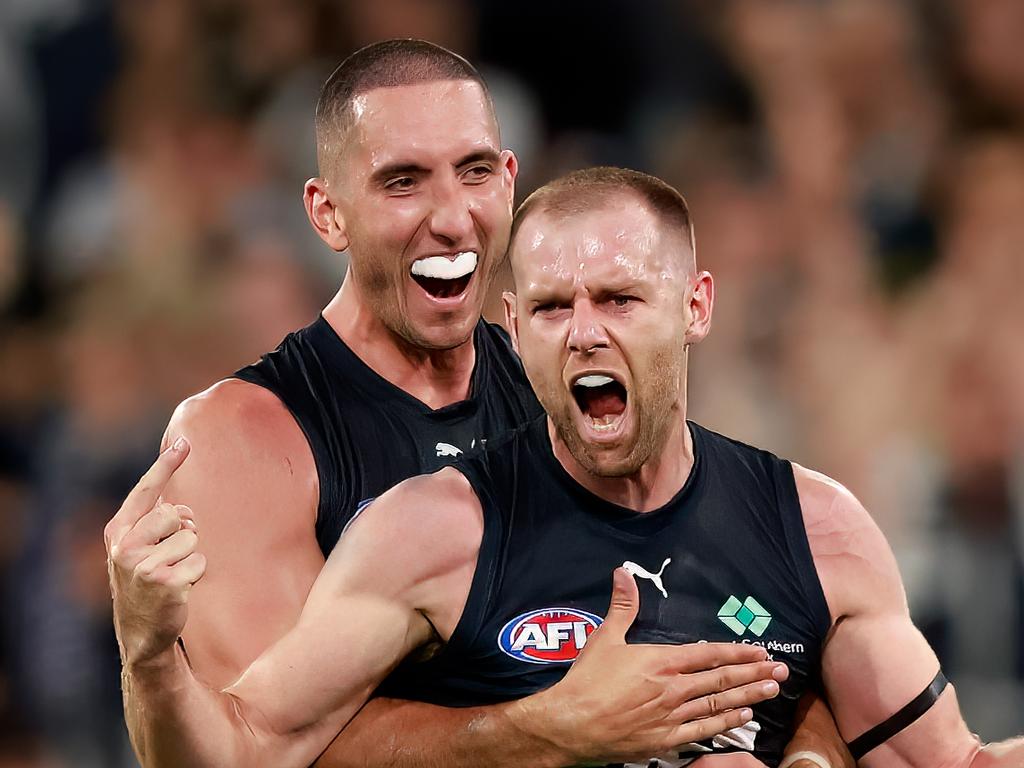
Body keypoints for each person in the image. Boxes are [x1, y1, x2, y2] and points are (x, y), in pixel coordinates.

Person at [107, 166, 1024, 767]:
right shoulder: (434, 533)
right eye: (551, 308)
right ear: (513, 328)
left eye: (621, 297)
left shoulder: (817, 532)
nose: (585, 330)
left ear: (696, 307)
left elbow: (958, 764)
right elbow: (243, 751)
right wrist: (150, 655)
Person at [105, 40, 847, 768]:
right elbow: (252, 749)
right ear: (328, 213)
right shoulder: (248, 437)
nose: (453, 217)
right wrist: (548, 730)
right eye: (403, 182)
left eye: (475, 172)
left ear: (511, 183)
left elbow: (749, 621)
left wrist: (807, 752)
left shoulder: (574, 384)